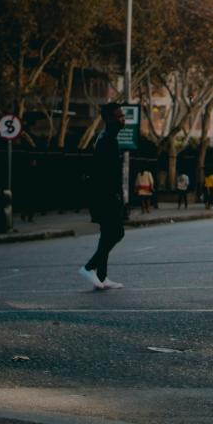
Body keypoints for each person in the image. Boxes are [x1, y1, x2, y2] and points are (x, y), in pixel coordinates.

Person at [78, 103, 128, 291]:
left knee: (107, 235)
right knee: (117, 233)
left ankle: (101, 276)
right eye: (118, 116)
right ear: (108, 119)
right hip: (106, 197)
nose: (122, 119)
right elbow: (105, 174)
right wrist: (115, 196)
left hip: (104, 196)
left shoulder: (106, 138)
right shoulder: (107, 140)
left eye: (123, 116)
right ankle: (89, 267)